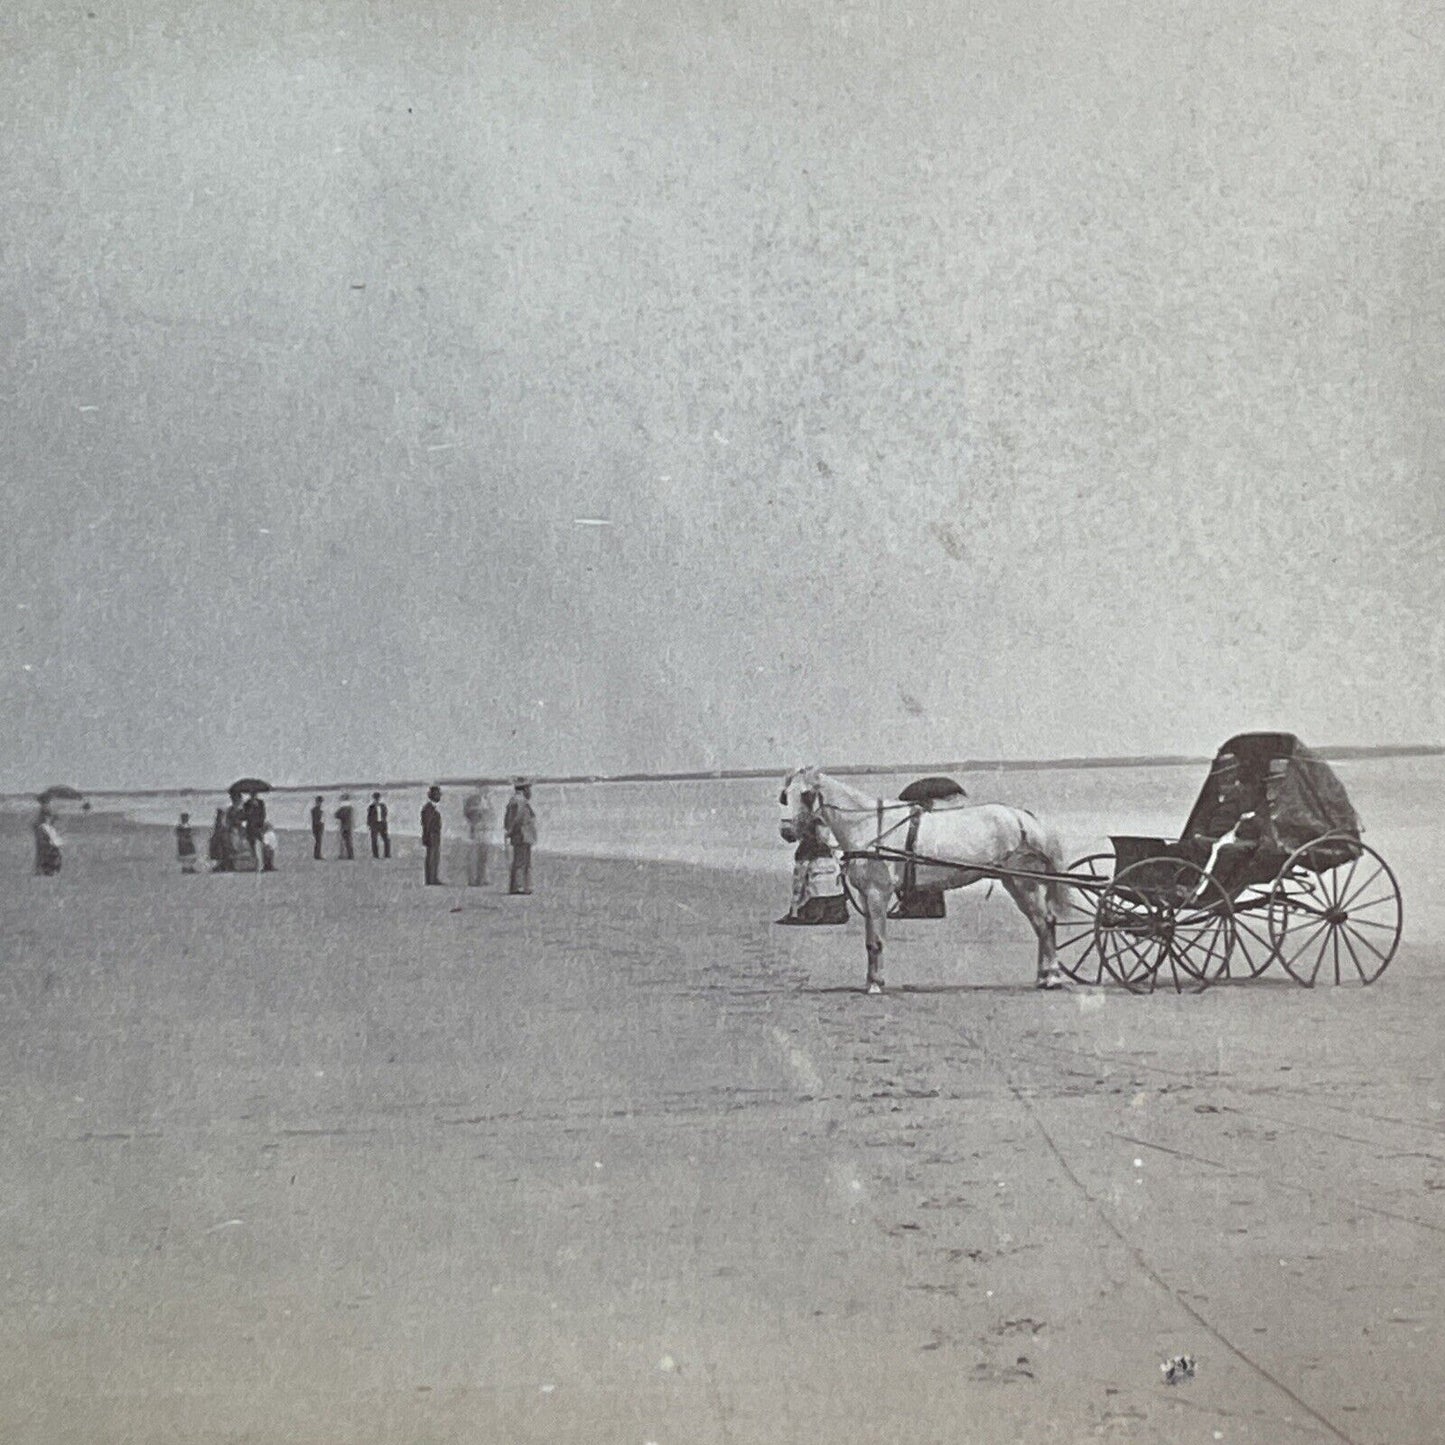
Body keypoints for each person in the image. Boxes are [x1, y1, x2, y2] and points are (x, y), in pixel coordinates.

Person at [778, 791, 840, 922]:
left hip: (808, 855)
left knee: (802, 884)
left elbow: (790, 836)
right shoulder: (824, 816)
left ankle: (798, 912)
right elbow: (824, 838)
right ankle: (828, 911)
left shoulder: (803, 818)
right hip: (825, 855)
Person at [503, 779, 537, 895]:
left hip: (522, 834)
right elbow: (517, 818)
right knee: (522, 861)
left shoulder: (516, 800)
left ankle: (518, 886)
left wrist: (509, 830)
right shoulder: (520, 801)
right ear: (525, 789)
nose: (530, 791)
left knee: (521, 861)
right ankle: (519, 887)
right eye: (528, 788)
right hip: (522, 834)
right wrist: (511, 831)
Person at [463, 784, 493, 886]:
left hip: (485, 830)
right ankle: (474, 879)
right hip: (476, 830)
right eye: (484, 789)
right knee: (475, 855)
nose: (486, 791)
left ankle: (482, 878)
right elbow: (468, 813)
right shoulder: (472, 800)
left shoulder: (487, 800)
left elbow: (491, 815)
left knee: (484, 856)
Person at [421, 784, 444, 885]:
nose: (439, 797)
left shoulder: (430, 808)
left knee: (434, 857)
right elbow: (427, 824)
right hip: (432, 836)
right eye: (438, 794)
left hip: (433, 836)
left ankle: (432, 878)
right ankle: (431, 879)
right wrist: (428, 837)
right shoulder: (429, 808)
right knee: (432, 857)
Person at [33, 802, 62, 876]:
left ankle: (43, 870)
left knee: (43, 855)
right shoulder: (42, 823)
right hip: (44, 840)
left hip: (44, 840)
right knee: (45, 855)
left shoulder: (42, 820)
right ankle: (45, 871)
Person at [243, 791, 267, 867]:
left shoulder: (260, 802)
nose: (253, 795)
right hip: (250, 826)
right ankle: (254, 862)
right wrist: (250, 808)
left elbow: (263, 814)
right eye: (252, 794)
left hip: (258, 826)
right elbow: (245, 815)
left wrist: (261, 823)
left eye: (254, 794)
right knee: (251, 844)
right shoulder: (247, 803)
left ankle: (263, 861)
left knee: (261, 843)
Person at [367, 791, 391, 859]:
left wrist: (385, 822)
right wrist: (369, 824)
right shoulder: (371, 806)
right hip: (374, 825)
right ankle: (375, 855)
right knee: (374, 840)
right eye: (375, 798)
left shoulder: (383, 805)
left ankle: (387, 854)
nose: (376, 800)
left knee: (386, 839)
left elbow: (385, 814)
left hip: (382, 824)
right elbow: (369, 816)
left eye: (377, 798)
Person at [334, 794, 356, 860]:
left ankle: (345, 855)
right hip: (349, 825)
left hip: (344, 826)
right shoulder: (350, 808)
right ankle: (350, 855)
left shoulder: (343, 808)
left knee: (344, 841)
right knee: (348, 840)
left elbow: (336, 815)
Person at [310, 795, 325, 860]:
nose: (321, 803)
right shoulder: (317, 810)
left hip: (316, 827)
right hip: (318, 827)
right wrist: (321, 824)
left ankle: (317, 854)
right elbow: (317, 820)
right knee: (318, 841)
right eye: (320, 802)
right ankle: (317, 855)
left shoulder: (315, 810)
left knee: (318, 841)